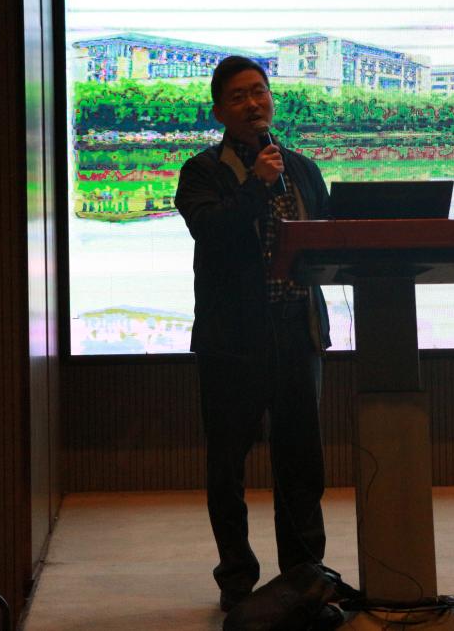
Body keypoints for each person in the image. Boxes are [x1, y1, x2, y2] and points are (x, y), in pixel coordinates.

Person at [175, 56, 332, 613]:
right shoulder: (201, 172)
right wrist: (257, 186)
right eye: (239, 96)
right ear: (219, 111)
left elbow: (329, 239)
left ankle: (305, 578)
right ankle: (238, 581)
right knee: (228, 467)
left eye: (260, 91)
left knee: (301, 465)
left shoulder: (303, 168)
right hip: (232, 341)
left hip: (296, 333)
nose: (253, 103)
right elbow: (211, 231)